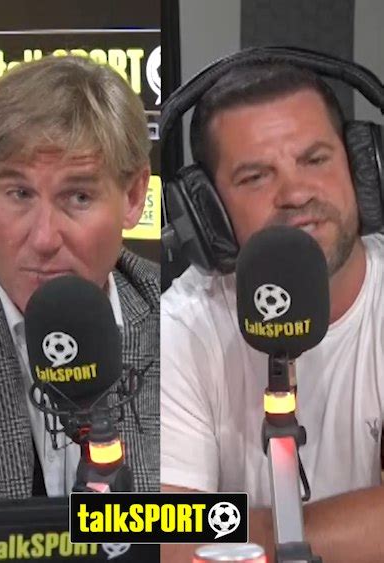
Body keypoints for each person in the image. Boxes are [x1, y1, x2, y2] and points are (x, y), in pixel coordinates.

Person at [161, 61, 384, 562]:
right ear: (207, 214)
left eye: (315, 159)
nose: (297, 193)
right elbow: (164, 540)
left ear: (362, 169)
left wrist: (247, 535)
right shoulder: (179, 329)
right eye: (256, 176)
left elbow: (193, 536)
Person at [0, 55, 159, 500]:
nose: (43, 238)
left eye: (78, 197)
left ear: (134, 197)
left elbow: (213, 522)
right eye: (19, 193)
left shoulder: (177, 316)